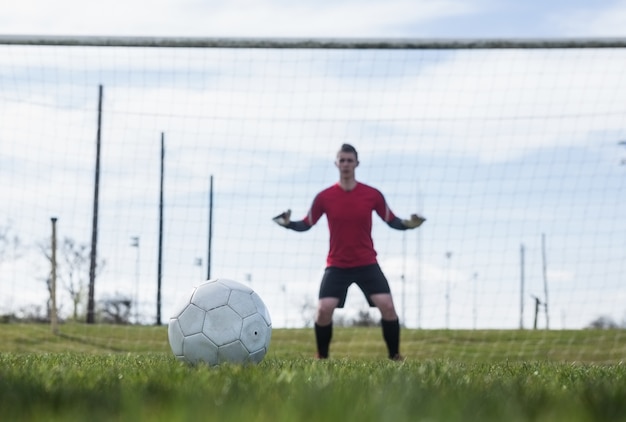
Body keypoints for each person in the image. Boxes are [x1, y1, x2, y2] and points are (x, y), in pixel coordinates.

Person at [273, 143, 425, 360]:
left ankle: (395, 356)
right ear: (336, 163)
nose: (345, 164)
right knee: (324, 309)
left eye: (349, 160)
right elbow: (306, 223)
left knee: (388, 306)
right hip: (337, 265)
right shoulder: (324, 197)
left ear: (357, 163)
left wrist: (409, 224)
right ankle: (322, 357)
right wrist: (288, 223)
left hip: (366, 263)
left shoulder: (372, 195)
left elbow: (392, 221)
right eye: (342, 160)